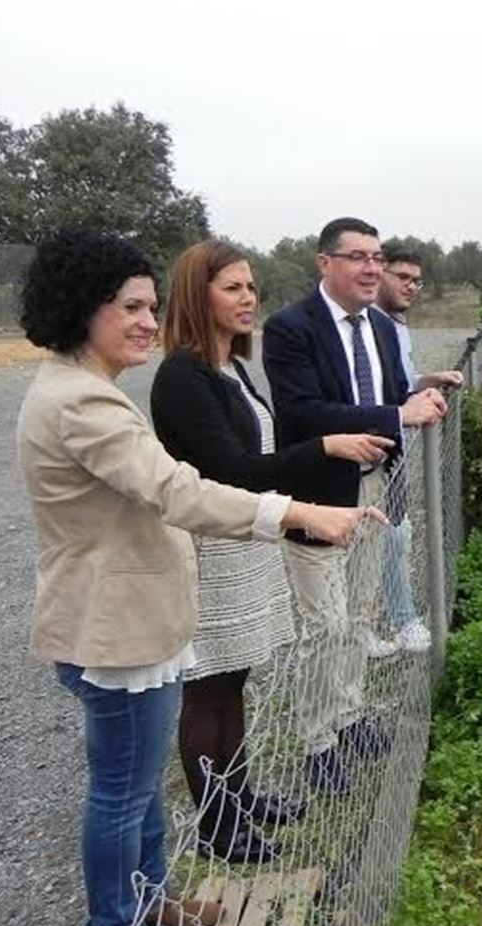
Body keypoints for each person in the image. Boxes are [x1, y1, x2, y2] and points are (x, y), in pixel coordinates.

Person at [16, 228, 377, 926]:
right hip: (114, 628)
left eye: (150, 307)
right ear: (81, 308)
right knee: (121, 792)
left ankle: (151, 901)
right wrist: (299, 512)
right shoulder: (82, 403)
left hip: (127, 621)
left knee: (139, 786)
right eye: (129, 307)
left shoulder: (84, 390)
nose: (146, 322)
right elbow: (179, 489)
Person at [150, 240, 395, 864]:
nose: (248, 299)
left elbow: (251, 463)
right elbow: (232, 470)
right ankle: (218, 825)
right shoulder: (182, 377)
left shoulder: (229, 368)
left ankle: (241, 796)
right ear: (196, 295)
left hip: (245, 543)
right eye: (232, 288)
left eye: (251, 287)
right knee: (208, 689)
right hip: (212, 550)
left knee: (234, 681)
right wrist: (324, 448)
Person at [262, 217, 447, 795]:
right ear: (325, 263)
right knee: (326, 622)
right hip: (319, 495)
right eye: (358, 257)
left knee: (360, 612)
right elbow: (302, 412)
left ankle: (349, 715)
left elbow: (391, 396)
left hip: (373, 488)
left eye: (377, 257)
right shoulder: (291, 329)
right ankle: (318, 742)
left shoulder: (382, 329)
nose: (371, 269)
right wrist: (397, 415)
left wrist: (419, 397)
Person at [371, 247, 465, 653]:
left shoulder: (396, 324)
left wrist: (430, 379)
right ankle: (400, 620)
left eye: (416, 280)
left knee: (396, 533)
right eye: (402, 277)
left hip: (395, 445)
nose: (411, 286)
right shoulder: (369, 326)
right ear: (380, 274)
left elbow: (400, 385)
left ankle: (391, 620)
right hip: (374, 446)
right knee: (388, 536)